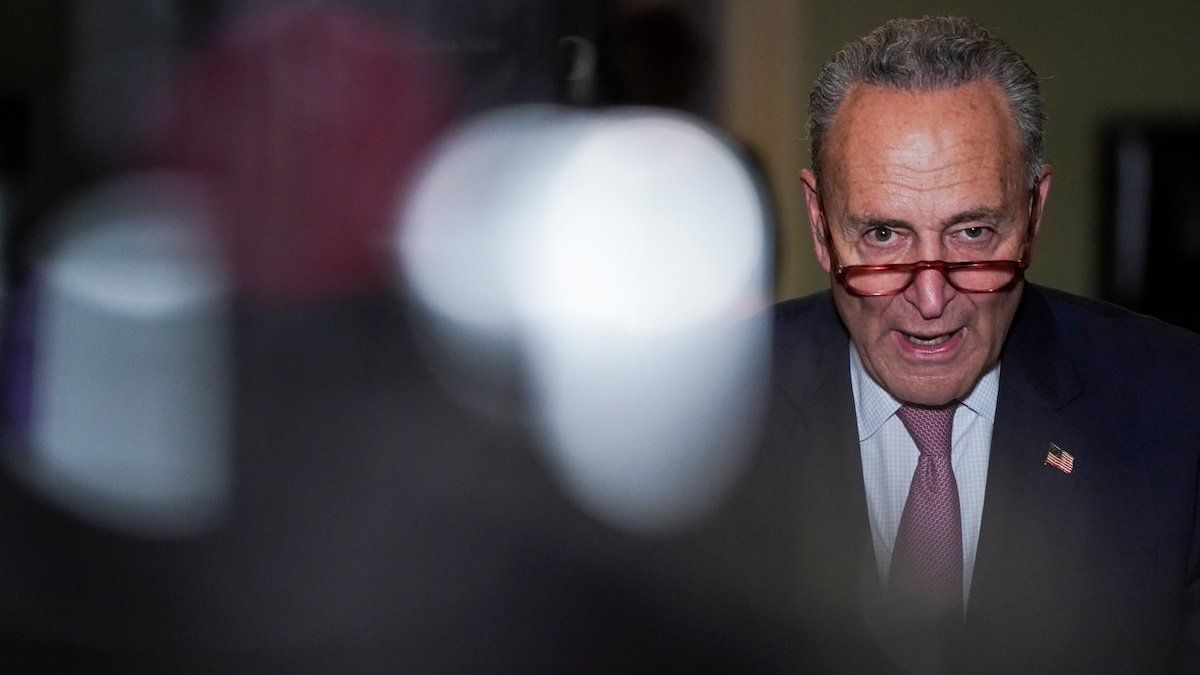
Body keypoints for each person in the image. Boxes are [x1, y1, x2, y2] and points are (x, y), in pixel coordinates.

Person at [684, 15, 1200, 672]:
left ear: (1034, 212)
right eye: (883, 236)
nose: (931, 300)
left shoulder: (1177, 410)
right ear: (819, 226)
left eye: (974, 232)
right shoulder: (696, 418)